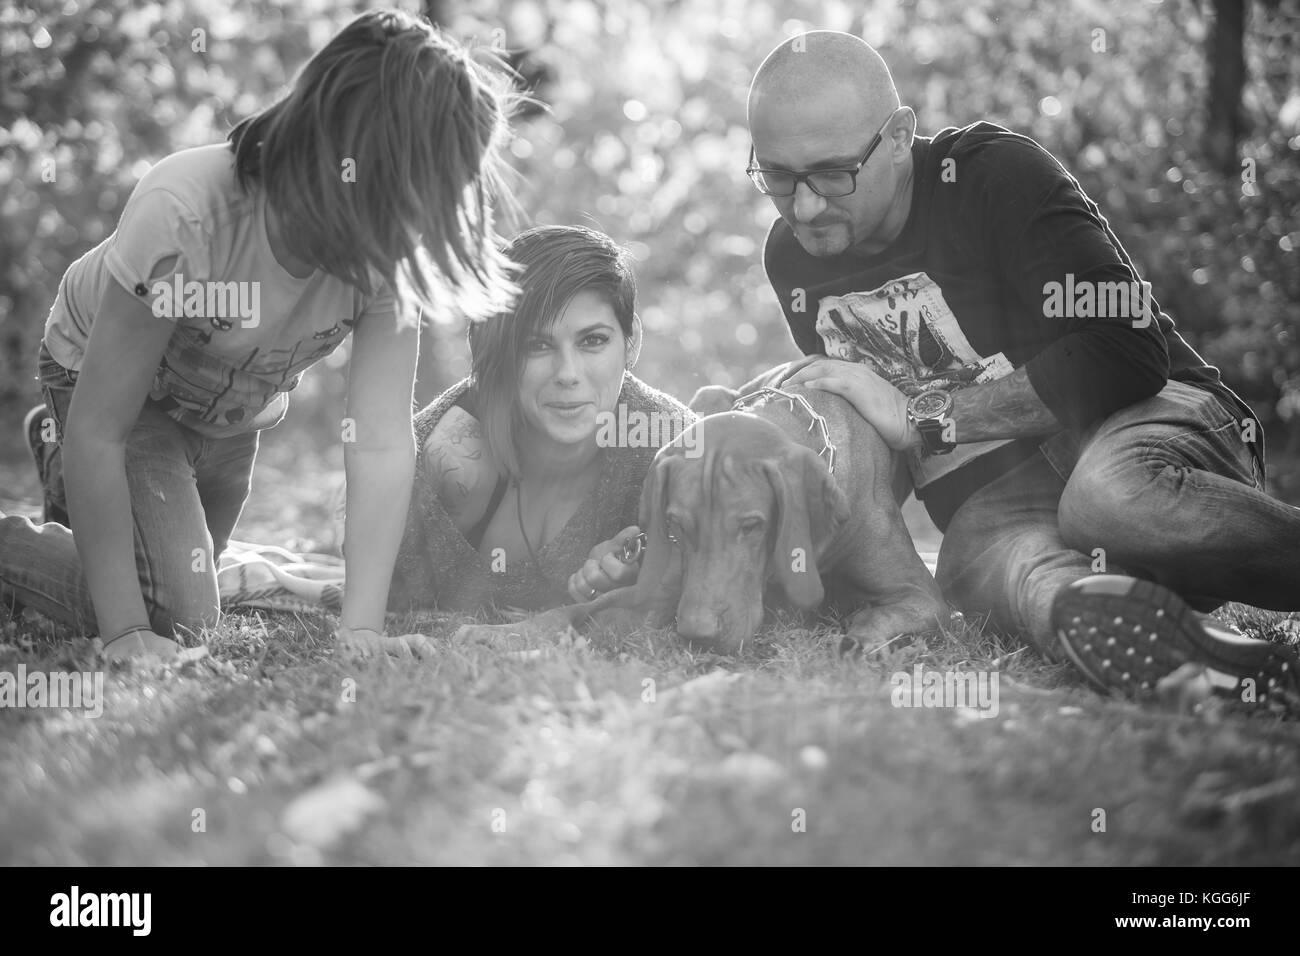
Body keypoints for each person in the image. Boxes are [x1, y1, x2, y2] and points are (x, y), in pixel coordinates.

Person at [747, 31, 1299, 706]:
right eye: (777, 176)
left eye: (833, 174)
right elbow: (869, 439)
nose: (804, 207)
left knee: (1107, 499)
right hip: (999, 496)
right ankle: (1202, 660)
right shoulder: (793, 258)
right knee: (992, 572)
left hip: (1150, 424)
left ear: (897, 137)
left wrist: (931, 417)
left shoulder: (993, 176)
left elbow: (1126, 352)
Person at [0, 10, 518, 661]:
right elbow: (104, 429)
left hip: (227, 420)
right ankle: (46, 491)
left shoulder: (390, 254)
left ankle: (67, 471)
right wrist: (127, 634)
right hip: (111, 388)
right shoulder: (187, 211)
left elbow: (382, 441)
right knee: (175, 610)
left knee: (189, 574)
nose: (424, 223)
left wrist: (362, 630)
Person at [387, 224, 694, 612]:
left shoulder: (671, 449)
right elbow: (361, 541)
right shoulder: (455, 453)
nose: (567, 373)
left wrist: (636, 584)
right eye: (537, 345)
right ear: (500, 355)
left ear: (629, 340)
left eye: (593, 340)